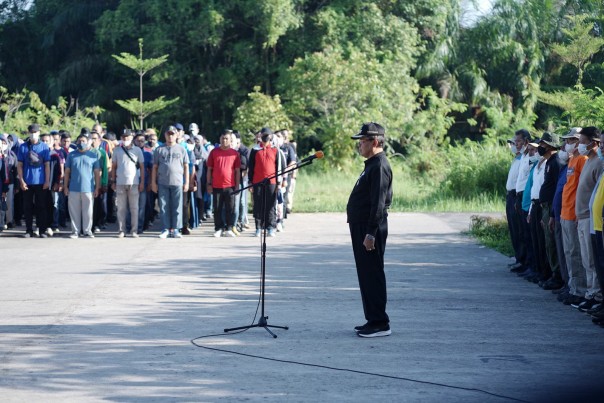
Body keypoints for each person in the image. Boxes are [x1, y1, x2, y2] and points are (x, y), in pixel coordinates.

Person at [347, 122, 392, 338]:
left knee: (372, 274)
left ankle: (380, 322)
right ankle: (371, 319)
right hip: (362, 227)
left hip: (369, 228)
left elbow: (378, 204)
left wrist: (370, 233)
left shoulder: (380, 166)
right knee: (365, 274)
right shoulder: (372, 164)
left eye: (362, 141)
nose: (359, 145)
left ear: (374, 142)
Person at [574, 127, 604, 310]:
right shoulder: (589, 161)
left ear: (594, 143)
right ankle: (591, 293)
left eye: (582, 141)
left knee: (593, 260)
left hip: (591, 218)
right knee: (586, 259)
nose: (579, 145)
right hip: (583, 216)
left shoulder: (599, 163)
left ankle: (596, 294)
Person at [559, 128, 588, 305]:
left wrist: (578, 211)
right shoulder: (572, 160)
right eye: (567, 140)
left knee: (576, 254)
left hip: (574, 213)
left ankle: (580, 290)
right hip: (565, 212)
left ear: (579, 141)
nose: (568, 143)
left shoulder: (582, 160)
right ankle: (573, 287)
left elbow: (583, 189)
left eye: (571, 140)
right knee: (569, 253)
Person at [151, 126, 189, 238]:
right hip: (163, 182)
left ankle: (176, 229)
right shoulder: (159, 149)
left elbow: (186, 166)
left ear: (177, 135)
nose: (170, 136)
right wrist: (153, 182)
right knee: (163, 206)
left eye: (173, 134)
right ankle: (165, 229)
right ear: (165, 135)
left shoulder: (181, 149)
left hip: (177, 182)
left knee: (177, 206)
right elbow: (155, 167)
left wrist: (186, 182)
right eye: (168, 134)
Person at [63, 134, 101, 238]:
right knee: (74, 211)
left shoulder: (93, 156)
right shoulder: (71, 155)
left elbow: (97, 173)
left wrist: (97, 187)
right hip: (73, 188)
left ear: (88, 142)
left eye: (83, 141)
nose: (81, 143)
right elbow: (67, 172)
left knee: (88, 211)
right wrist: (65, 186)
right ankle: (75, 231)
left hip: (88, 188)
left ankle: (87, 231)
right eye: (79, 141)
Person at [248, 127, 284, 237]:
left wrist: (279, 183)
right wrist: (250, 182)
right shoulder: (254, 150)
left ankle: (270, 227)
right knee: (258, 205)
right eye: (263, 134)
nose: (265, 136)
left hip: (272, 182)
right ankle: (258, 227)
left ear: (271, 136)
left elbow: (279, 167)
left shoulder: (275, 150)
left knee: (271, 205)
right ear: (260, 136)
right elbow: (251, 167)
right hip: (257, 181)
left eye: (268, 135)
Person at [17, 124, 51, 238]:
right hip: (27, 183)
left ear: (39, 132)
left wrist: (47, 181)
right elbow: (20, 165)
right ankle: (28, 230)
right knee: (27, 207)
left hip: (40, 182)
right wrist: (21, 180)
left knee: (41, 207)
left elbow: (47, 165)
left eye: (35, 132)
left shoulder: (44, 147)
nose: (33, 134)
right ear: (28, 133)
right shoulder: (23, 147)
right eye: (31, 132)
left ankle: (42, 230)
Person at [206, 130, 241, 237]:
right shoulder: (214, 152)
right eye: (222, 138)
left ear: (230, 140)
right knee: (217, 208)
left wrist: (237, 185)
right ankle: (218, 228)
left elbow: (237, 171)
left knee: (230, 208)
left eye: (226, 138)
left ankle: (229, 228)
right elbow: (209, 169)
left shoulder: (235, 154)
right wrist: (208, 184)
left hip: (230, 185)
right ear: (219, 140)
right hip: (216, 185)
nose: (224, 140)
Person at [111, 129, 145, 238]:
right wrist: (113, 181)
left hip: (134, 182)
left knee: (134, 208)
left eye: (128, 137)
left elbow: (142, 167)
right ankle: (122, 230)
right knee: (121, 208)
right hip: (120, 182)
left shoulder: (138, 150)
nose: (125, 139)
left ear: (132, 138)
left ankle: (134, 230)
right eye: (124, 137)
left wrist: (142, 182)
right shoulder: (117, 150)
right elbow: (114, 166)